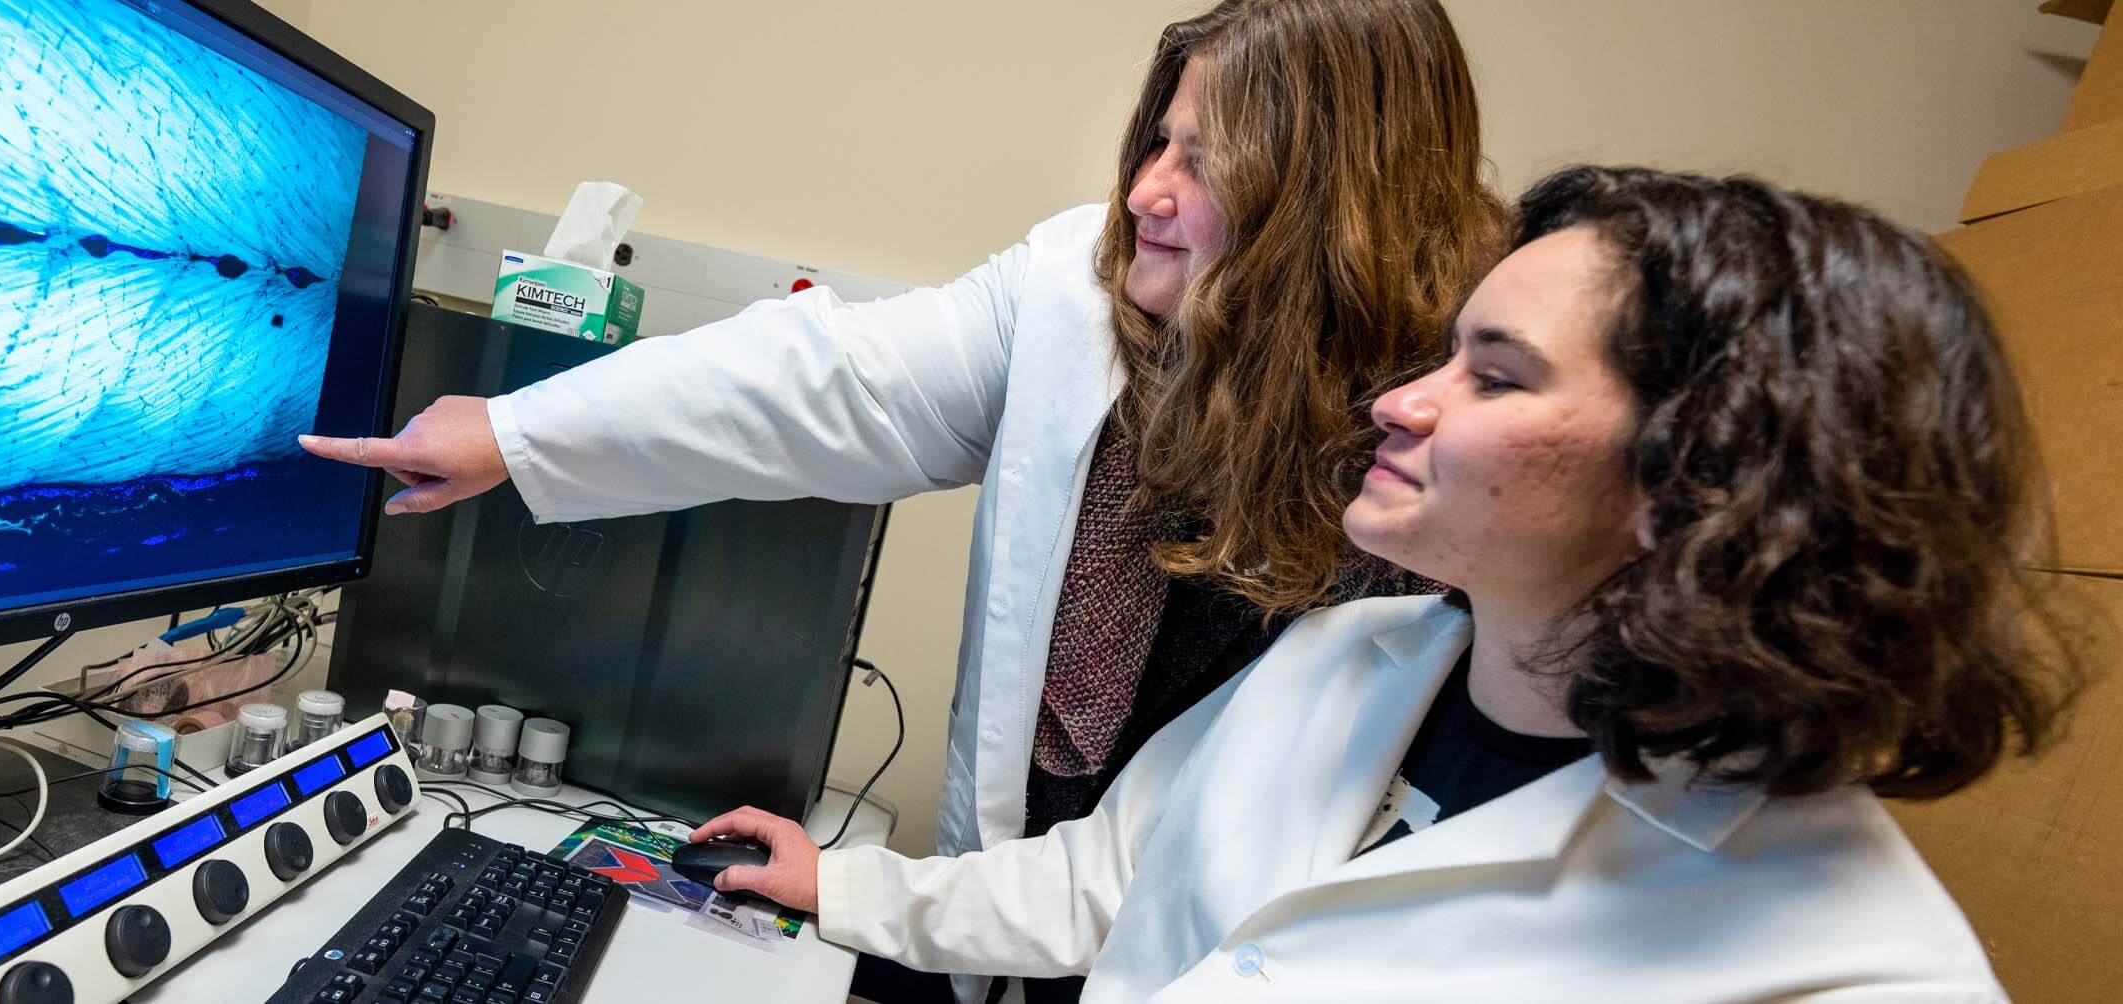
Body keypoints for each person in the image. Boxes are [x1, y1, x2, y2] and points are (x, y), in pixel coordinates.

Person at [300, 5, 1501, 999]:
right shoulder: (1078, 297)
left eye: (1203, 161)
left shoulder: (1437, 474)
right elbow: (819, 380)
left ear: (1327, 204)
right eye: (1158, 141)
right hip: (1030, 890)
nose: (1145, 189)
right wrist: (514, 430)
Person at [684, 165, 2094, 1002]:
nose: (1398, 402)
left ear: (1705, 475)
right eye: (1446, 352)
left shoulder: (1850, 969)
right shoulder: (1341, 657)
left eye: (1495, 375)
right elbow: (1104, 878)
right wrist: (846, 886)